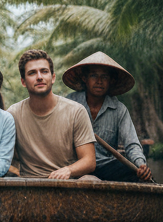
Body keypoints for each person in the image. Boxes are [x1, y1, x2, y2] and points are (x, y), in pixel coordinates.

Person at [7, 48, 97, 179]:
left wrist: (68, 170)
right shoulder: (13, 114)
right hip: (29, 184)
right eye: (32, 73)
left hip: (67, 183)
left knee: (91, 179)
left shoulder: (75, 111)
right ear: (23, 81)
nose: (39, 77)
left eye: (44, 71)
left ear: (53, 77)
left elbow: (89, 160)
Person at [64, 52, 151, 182]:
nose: (99, 81)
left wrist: (141, 165)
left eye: (104, 77)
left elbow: (132, 144)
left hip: (105, 167)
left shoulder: (119, 109)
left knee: (134, 173)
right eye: (94, 76)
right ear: (84, 78)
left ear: (111, 80)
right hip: (75, 165)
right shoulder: (70, 103)